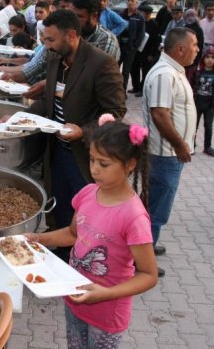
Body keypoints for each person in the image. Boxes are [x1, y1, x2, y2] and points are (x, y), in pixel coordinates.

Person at [25, 117, 157, 349]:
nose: (94, 169)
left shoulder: (134, 217)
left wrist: (105, 294)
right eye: (92, 160)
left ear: (130, 164)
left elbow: (148, 275)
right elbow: (73, 234)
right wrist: (38, 239)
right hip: (74, 297)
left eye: (103, 164)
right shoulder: (87, 193)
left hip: (107, 312)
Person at [26, 10, 126, 252]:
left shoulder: (101, 63)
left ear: (71, 36)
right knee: (58, 206)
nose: (46, 45)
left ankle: (83, 258)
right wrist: (22, 117)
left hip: (82, 155)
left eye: (50, 40)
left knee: (82, 214)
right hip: (56, 150)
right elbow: (50, 101)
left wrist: (82, 131)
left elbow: (115, 112)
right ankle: (60, 255)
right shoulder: (55, 59)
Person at [142, 27, 198, 277]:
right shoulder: (165, 74)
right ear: (180, 49)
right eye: (195, 45)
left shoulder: (173, 71)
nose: (198, 50)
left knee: (155, 206)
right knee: (156, 209)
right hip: (164, 154)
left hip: (168, 154)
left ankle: (148, 246)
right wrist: (179, 144)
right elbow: (160, 114)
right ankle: (143, 261)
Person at [189, 46, 214, 157]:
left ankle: (207, 147)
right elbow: (191, 86)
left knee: (208, 126)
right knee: (194, 126)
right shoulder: (197, 72)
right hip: (197, 103)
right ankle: (191, 145)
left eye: (213, 57)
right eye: (207, 57)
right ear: (203, 58)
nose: (210, 60)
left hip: (210, 104)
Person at [120, 0, 146, 94]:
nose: (130, 2)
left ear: (136, 3)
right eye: (128, 0)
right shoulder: (121, 14)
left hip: (130, 48)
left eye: (132, 1)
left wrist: (134, 46)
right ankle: (114, 90)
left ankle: (122, 92)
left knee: (126, 71)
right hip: (120, 45)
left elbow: (141, 34)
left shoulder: (139, 17)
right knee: (114, 68)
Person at [134, 4, 161, 96]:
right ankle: (136, 87)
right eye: (146, 13)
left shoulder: (154, 24)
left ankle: (142, 90)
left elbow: (156, 41)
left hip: (148, 52)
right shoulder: (138, 22)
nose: (147, 15)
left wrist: (152, 54)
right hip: (137, 51)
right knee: (134, 70)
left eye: (149, 13)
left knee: (146, 72)